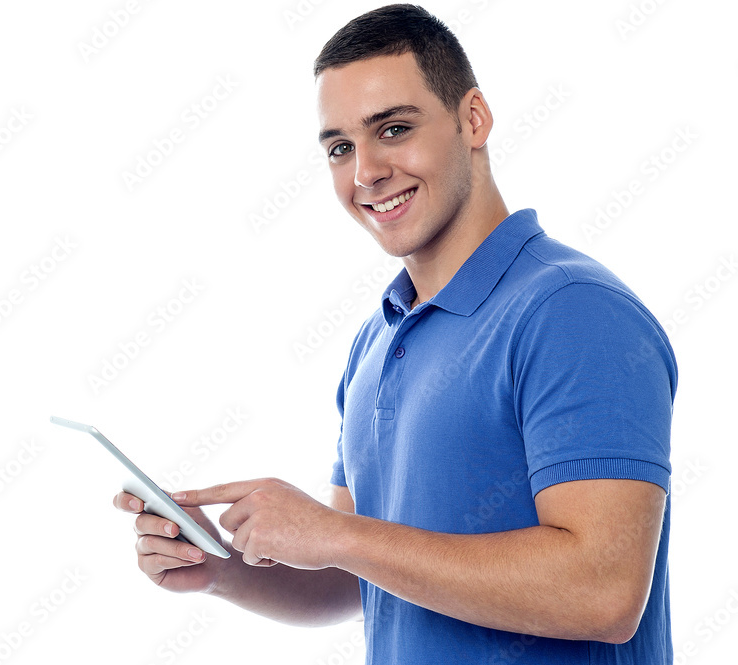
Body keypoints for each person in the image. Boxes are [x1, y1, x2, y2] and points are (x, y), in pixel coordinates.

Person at [114, 4, 677, 662]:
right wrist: (219, 568)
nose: (365, 173)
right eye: (340, 147)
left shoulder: (573, 312)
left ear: (474, 119)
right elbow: (363, 578)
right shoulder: (375, 341)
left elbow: (602, 592)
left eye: (394, 129)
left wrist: (336, 533)